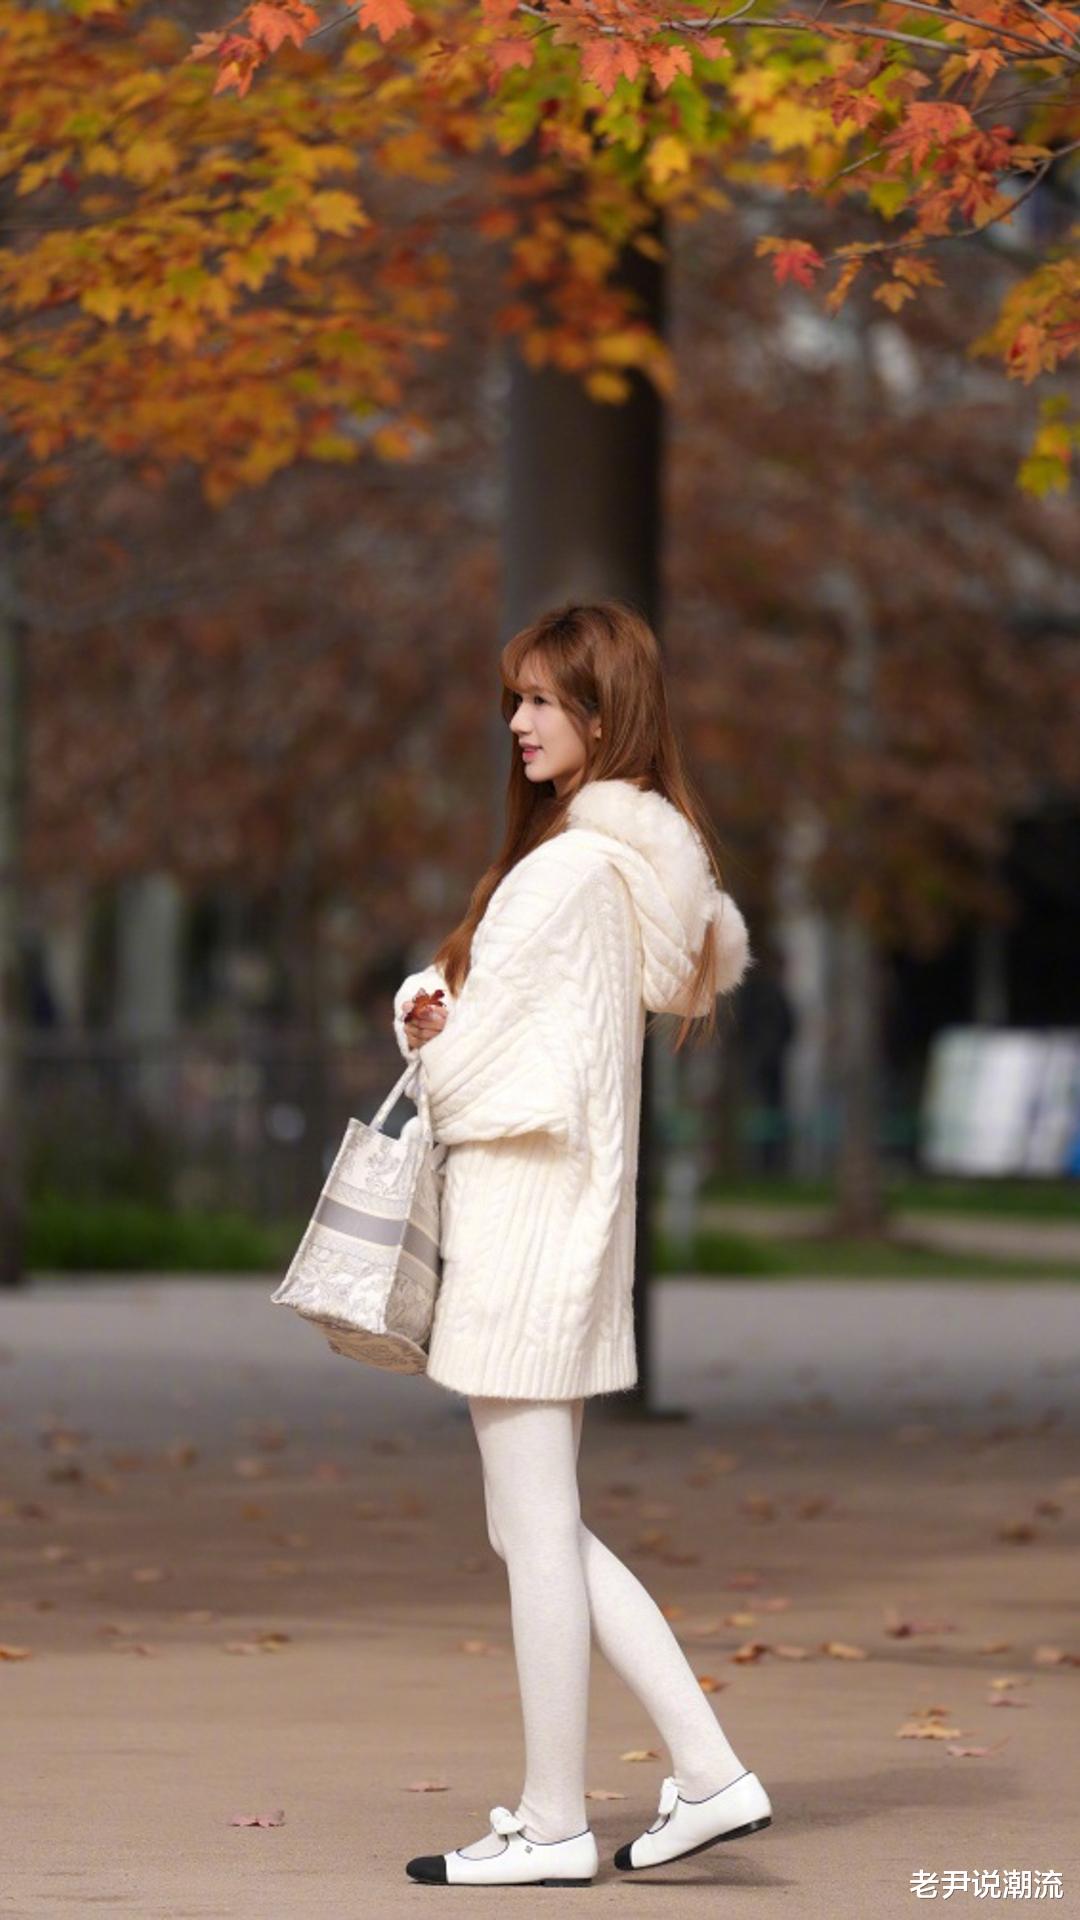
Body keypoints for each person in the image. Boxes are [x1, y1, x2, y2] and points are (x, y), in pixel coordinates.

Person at [392, 601, 772, 1887]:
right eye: (517, 697)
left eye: (543, 699)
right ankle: (704, 1772)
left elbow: (488, 1069)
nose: (518, 721)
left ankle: (559, 1821)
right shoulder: (617, 870)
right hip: (569, 1221)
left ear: (605, 716)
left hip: (524, 1221)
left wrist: (428, 1029)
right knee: (536, 1527)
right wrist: (446, 1009)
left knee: (537, 1531)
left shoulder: (563, 875)